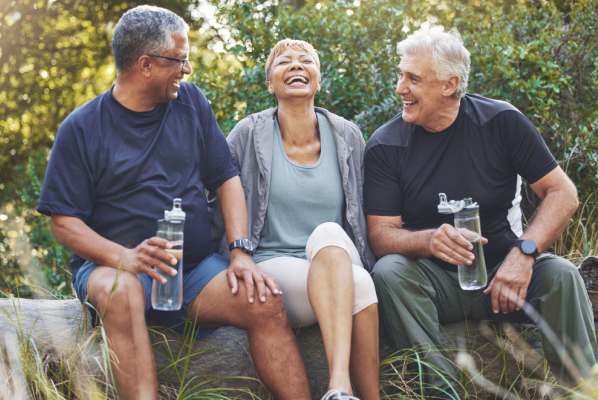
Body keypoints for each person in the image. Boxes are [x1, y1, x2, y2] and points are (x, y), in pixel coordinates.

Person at [37, 6, 311, 400]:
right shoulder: (81, 128)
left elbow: (226, 179)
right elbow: (64, 223)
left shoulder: (190, 102)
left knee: (263, 300)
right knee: (121, 293)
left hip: (194, 270)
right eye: (179, 60)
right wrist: (125, 258)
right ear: (145, 65)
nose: (187, 69)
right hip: (115, 268)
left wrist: (239, 252)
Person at [363, 26, 597, 399]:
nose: (400, 88)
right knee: (389, 272)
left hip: (503, 277)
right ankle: (442, 390)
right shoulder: (385, 145)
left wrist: (524, 254)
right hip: (434, 284)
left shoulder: (501, 122)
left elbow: (563, 193)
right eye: (400, 75)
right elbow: (380, 235)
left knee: (563, 275)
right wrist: (428, 240)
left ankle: (584, 389)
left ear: (449, 84)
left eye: (413, 78)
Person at [209, 38, 380, 400]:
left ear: (319, 80)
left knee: (330, 234)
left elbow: (363, 210)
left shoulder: (348, 136)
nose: (297, 66)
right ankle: (344, 389)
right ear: (270, 83)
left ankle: (339, 389)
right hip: (275, 267)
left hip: (337, 256)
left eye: (307, 61)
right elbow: (218, 197)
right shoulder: (247, 134)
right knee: (361, 287)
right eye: (284, 62)